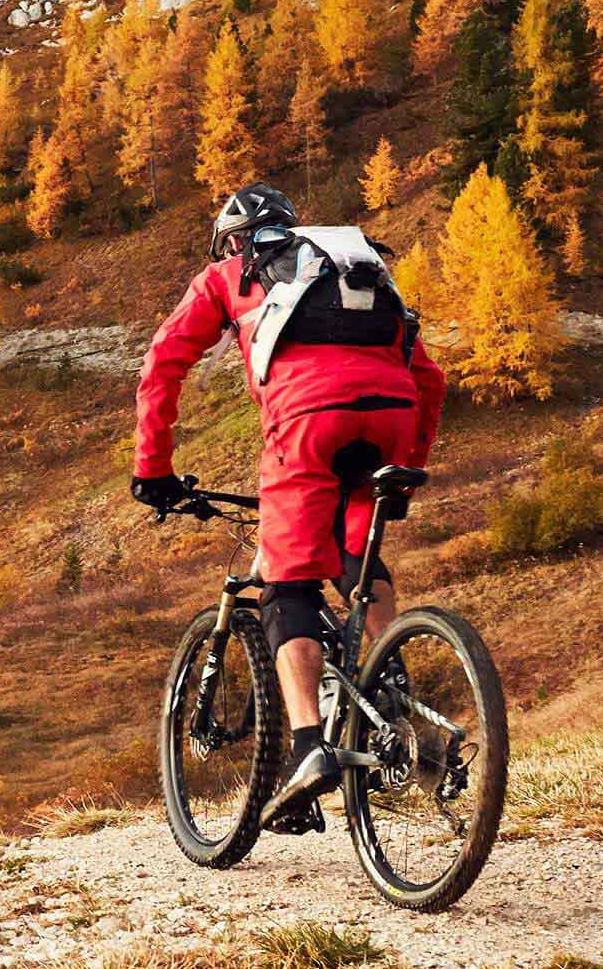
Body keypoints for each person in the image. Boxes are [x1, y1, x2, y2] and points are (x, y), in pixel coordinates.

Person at [131, 184, 446, 828]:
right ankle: (395, 693)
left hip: (308, 421)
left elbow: (163, 362)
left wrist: (153, 469)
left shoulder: (229, 274)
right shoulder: (347, 271)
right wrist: (404, 470)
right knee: (354, 551)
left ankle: (308, 750)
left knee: (286, 585)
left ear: (233, 239)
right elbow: (429, 378)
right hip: (391, 416)